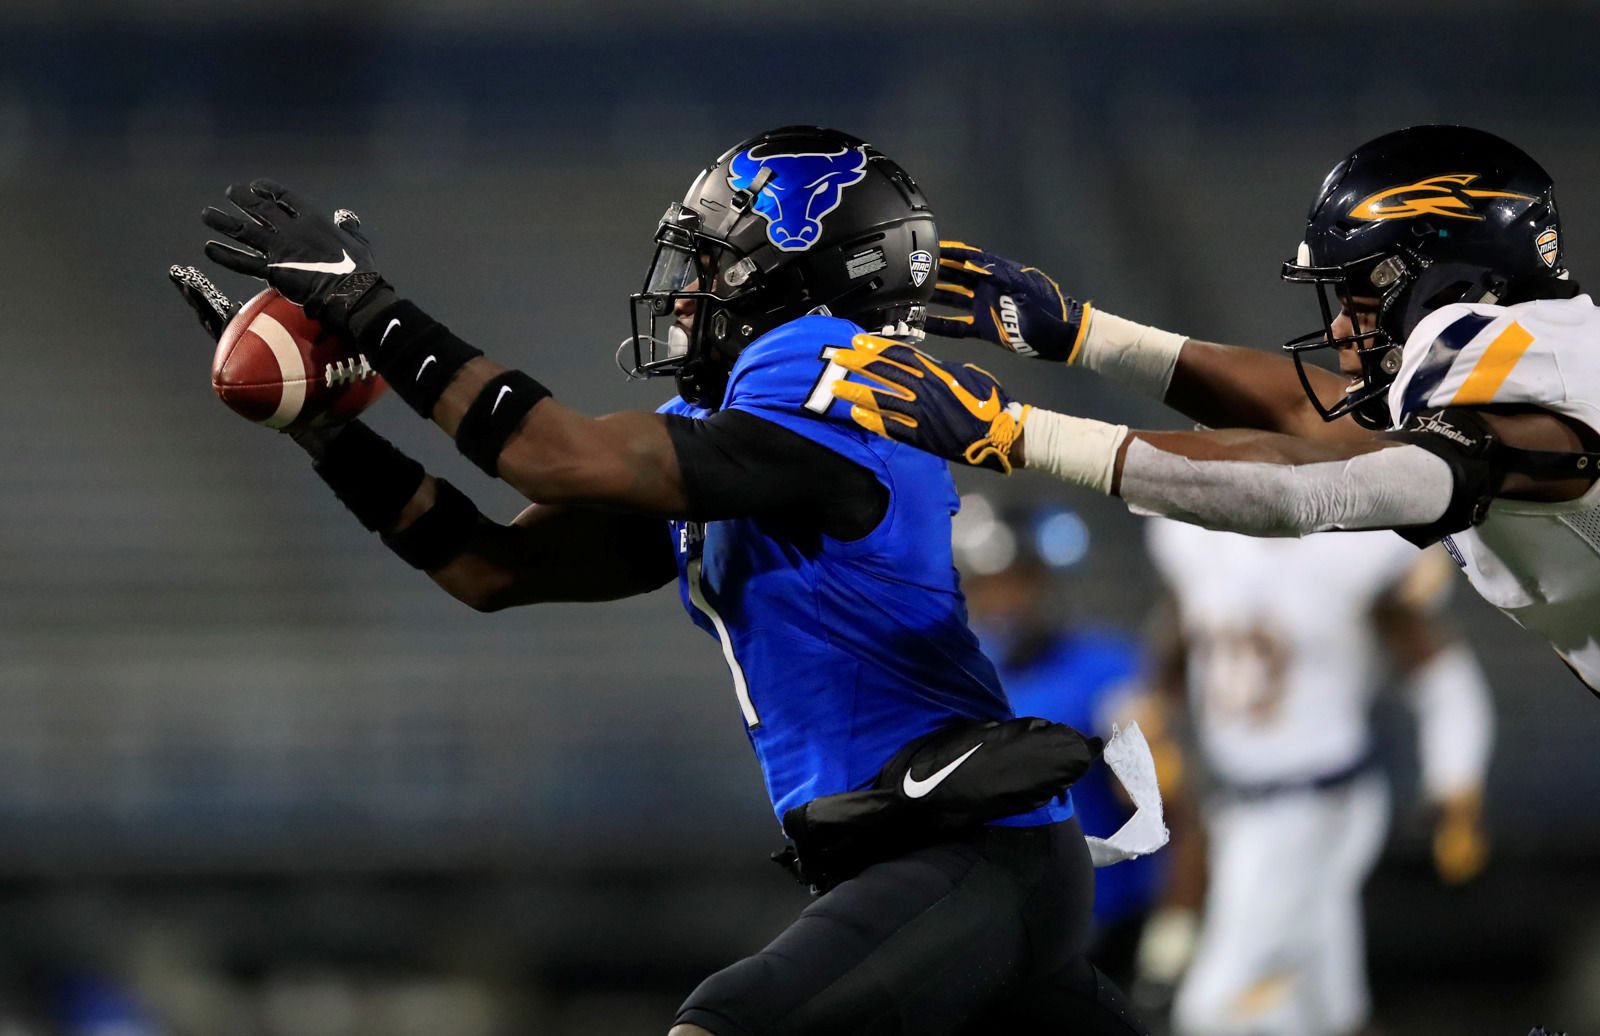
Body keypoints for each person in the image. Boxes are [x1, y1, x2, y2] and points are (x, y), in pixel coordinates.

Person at [173, 126, 1150, 1035]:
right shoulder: (737, 454)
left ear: (797, 289)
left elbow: (549, 456)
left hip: (971, 854)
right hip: (934, 866)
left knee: (728, 1020)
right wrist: (329, 435)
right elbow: (488, 567)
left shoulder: (828, 384)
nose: (685, 296)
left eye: (713, 267)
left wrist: (363, 303)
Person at [824, 124, 1600, 696]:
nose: (1339, 326)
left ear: (1445, 279)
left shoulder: (1527, 393)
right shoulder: (1524, 362)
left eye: (1360, 290)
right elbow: (1330, 422)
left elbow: (1320, 484)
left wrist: (1020, 434)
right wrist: (1087, 336)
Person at [1141, 520, 1494, 1036]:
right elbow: (1184, 621)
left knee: (1213, 1014)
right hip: (1240, 805)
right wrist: (1152, 708)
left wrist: (1455, 780)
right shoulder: (1196, 535)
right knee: (1327, 1011)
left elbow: (1440, 674)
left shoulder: (1356, 548)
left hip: (1318, 803)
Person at [950, 494, 1169, 990]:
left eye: (1017, 581)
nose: (1004, 600)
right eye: (990, 586)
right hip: (995, 919)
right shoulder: (958, 681)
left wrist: (1176, 916)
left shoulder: (1110, 673)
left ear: (1043, 580)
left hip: (1102, 916)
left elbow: (1168, 801)